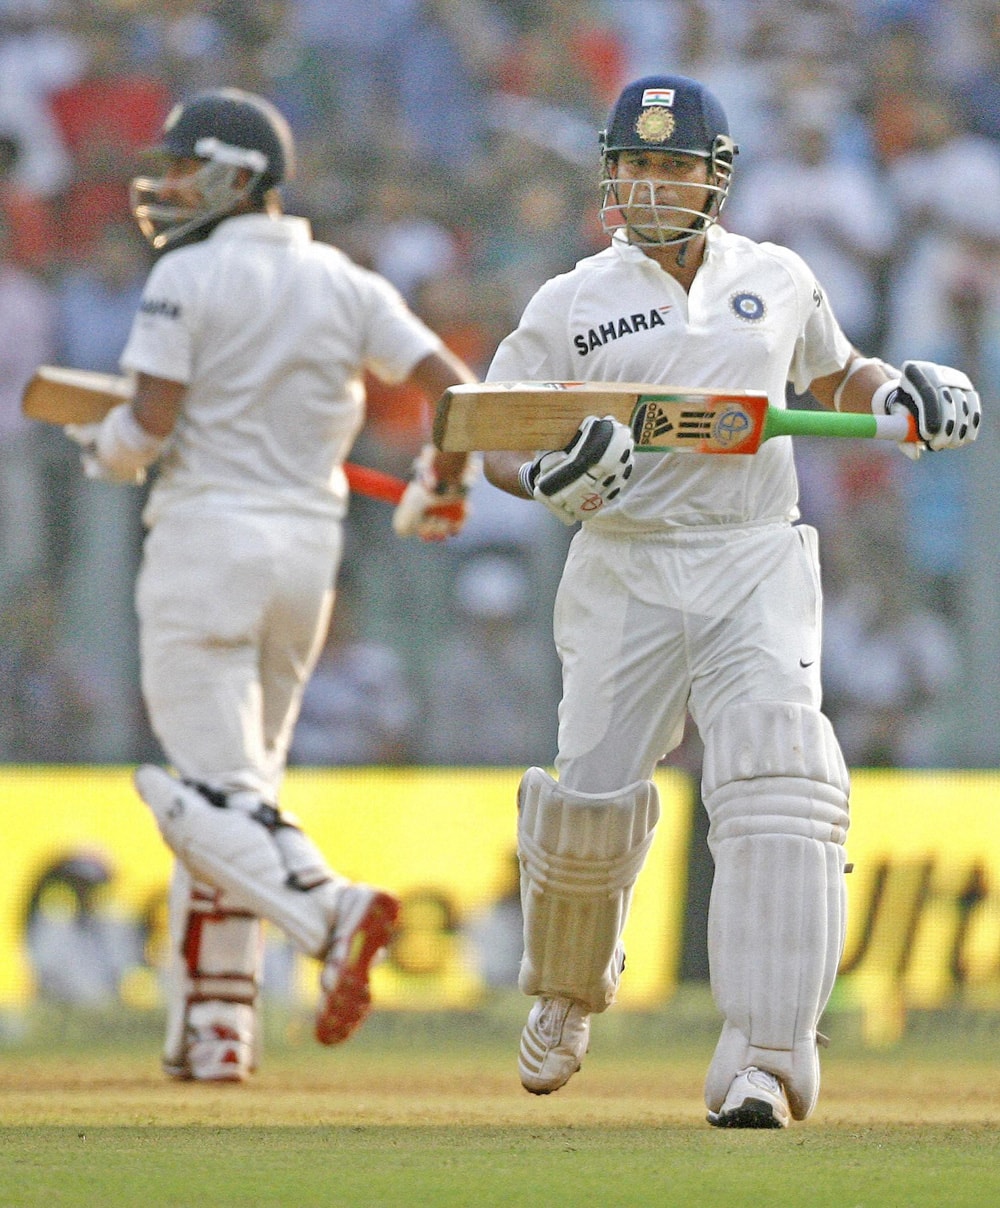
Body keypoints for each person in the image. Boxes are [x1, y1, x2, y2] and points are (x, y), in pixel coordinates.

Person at [481, 73, 980, 1128]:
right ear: (611, 177)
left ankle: (764, 1055)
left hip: (752, 554)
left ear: (714, 178)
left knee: (779, 780)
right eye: (637, 167)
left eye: (673, 167)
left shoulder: (780, 276)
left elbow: (836, 376)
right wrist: (545, 475)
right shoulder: (569, 300)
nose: (654, 187)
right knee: (589, 805)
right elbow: (492, 434)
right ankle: (569, 991)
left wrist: (900, 394)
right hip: (624, 561)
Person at [62, 87, 478, 1082]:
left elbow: (147, 426)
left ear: (236, 176)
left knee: (192, 794)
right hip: (306, 560)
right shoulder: (344, 279)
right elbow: (454, 389)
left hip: (207, 544)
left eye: (179, 167)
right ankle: (218, 1027)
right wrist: (442, 481)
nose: (162, 186)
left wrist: (101, 442)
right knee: (239, 802)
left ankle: (331, 909)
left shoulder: (187, 275)